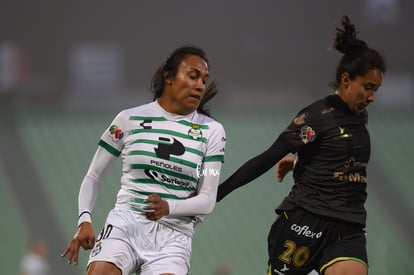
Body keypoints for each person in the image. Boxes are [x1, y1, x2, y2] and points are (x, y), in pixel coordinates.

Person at [217, 15, 386, 275]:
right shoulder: (317, 117)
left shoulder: (359, 115)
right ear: (346, 80)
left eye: (376, 89)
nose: (372, 97)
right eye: (368, 87)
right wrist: (217, 193)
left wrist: (300, 162)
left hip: (348, 229)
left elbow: (338, 158)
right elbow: (268, 157)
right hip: (305, 222)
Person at [62, 45, 226, 275]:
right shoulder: (128, 119)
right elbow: (94, 175)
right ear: (168, 77)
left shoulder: (212, 131)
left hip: (174, 238)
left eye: (204, 80)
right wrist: (84, 219)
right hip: (126, 223)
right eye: (193, 76)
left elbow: (208, 198)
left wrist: (169, 207)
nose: (200, 85)